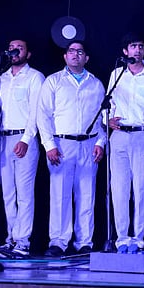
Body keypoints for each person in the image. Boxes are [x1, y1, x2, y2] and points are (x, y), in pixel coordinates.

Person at [38, 40, 106, 257]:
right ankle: (58, 241)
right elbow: (43, 116)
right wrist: (49, 145)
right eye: (71, 51)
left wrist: (100, 143)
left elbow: (102, 118)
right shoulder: (53, 81)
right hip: (61, 144)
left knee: (87, 194)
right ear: (65, 57)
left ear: (87, 58)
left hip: (88, 143)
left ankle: (84, 242)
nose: (75, 54)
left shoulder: (95, 84)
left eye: (80, 51)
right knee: (60, 194)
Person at [107, 33, 144, 253]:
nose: (137, 50)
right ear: (125, 51)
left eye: (141, 46)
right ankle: (122, 238)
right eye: (133, 46)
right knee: (119, 189)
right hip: (121, 136)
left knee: (141, 189)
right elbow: (109, 105)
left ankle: (138, 238)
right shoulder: (117, 73)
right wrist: (108, 120)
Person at [0, 39, 45, 257]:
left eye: (20, 48)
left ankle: (23, 240)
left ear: (28, 53)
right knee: (8, 193)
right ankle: (10, 238)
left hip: (24, 139)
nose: (14, 51)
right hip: (3, 139)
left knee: (24, 193)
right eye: (12, 48)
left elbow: (36, 111)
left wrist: (25, 139)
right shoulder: (2, 78)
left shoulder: (35, 77)